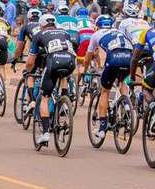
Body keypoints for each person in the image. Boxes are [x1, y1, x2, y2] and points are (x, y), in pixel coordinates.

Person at [82, 14, 134, 138]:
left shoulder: (96, 35)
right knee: (122, 81)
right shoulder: (119, 32)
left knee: (105, 90)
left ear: (97, 26)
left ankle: (102, 128)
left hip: (114, 58)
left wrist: (84, 70)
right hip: (129, 58)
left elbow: (88, 57)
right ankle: (126, 104)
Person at [28, 13, 76, 145]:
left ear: (41, 25)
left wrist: (28, 71)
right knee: (64, 76)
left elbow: (31, 60)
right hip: (70, 61)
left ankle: (45, 133)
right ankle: (65, 101)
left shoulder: (39, 34)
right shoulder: (65, 32)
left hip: (54, 61)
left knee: (45, 97)